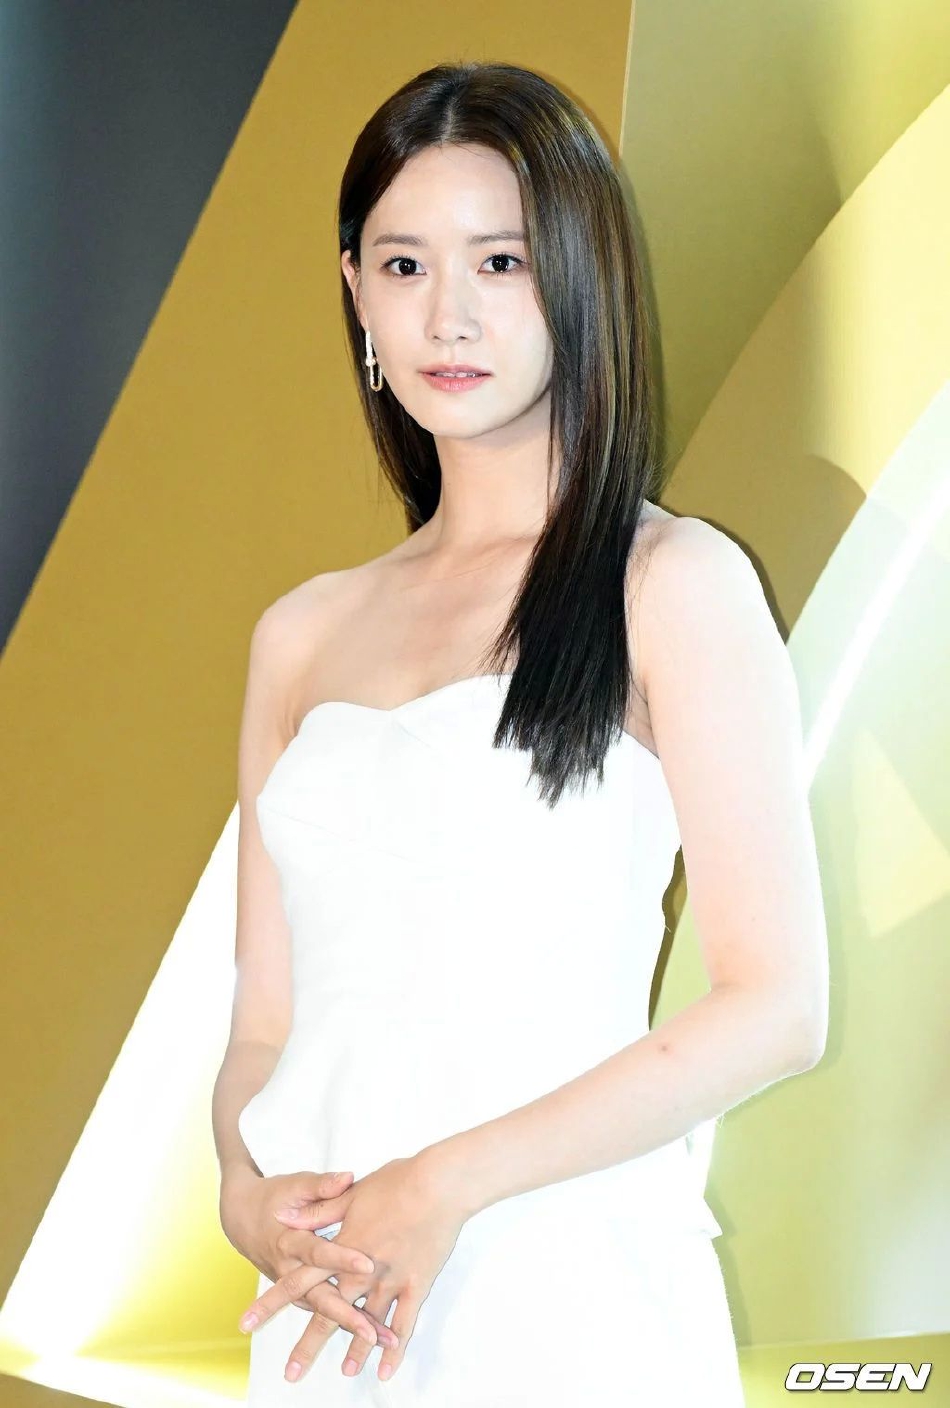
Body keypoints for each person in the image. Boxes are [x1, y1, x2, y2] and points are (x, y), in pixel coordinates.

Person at [212, 60, 828, 1407]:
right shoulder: (301, 632)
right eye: (404, 265)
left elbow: (777, 1006)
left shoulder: (669, 583)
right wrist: (243, 1195)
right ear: (356, 293)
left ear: (579, 278)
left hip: (561, 1285)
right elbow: (264, 1019)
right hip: (335, 1301)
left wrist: (444, 1184)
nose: (449, 313)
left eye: (500, 261)